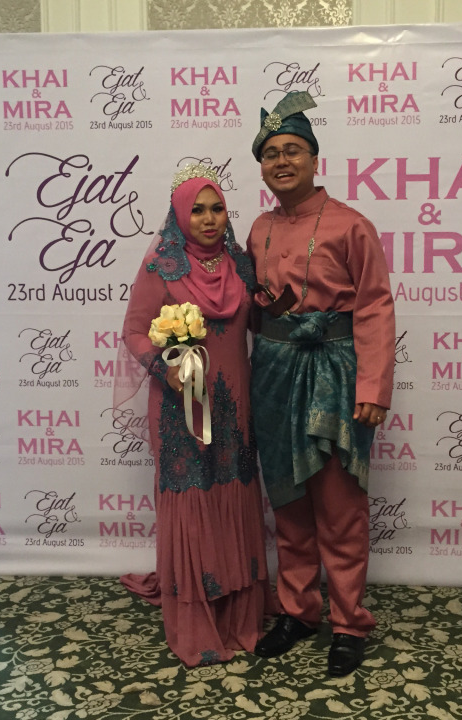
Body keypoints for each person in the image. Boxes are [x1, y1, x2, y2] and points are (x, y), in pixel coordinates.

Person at [246, 91, 395, 677]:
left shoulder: (351, 224)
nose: (282, 161)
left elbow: (375, 307)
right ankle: (298, 612)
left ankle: (349, 622)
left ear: (314, 158)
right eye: (271, 153)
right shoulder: (258, 228)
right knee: (287, 503)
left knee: (339, 506)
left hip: (334, 374)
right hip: (273, 374)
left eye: (293, 150)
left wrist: (373, 388)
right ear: (261, 166)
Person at [118, 164, 273, 667]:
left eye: (217, 209)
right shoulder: (161, 266)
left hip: (236, 407)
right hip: (181, 411)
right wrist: (167, 369)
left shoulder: (242, 265)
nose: (209, 219)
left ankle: (239, 613)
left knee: (234, 497)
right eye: (198, 210)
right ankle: (197, 619)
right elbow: (135, 331)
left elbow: (262, 323)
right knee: (192, 501)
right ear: (180, 216)